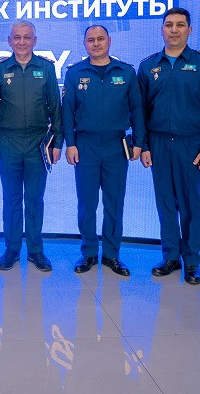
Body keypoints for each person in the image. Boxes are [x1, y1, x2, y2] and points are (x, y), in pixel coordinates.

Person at [137, 8, 200, 285]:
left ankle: (192, 261)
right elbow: (140, 112)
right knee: (165, 204)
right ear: (161, 29)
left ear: (190, 30)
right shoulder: (148, 66)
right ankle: (170, 256)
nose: (174, 30)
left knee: (191, 205)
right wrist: (144, 145)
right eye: (169, 25)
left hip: (192, 145)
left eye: (180, 25)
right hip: (159, 144)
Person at [62, 25, 144, 276]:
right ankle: (88, 253)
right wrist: (70, 144)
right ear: (84, 44)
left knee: (114, 203)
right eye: (91, 40)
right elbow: (67, 112)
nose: (96, 44)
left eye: (100, 39)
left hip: (116, 146)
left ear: (109, 41)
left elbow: (137, 110)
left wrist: (139, 143)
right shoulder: (75, 73)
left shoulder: (126, 72)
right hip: (85, 146)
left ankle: (111, 255)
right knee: (87, 204)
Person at [0, 20, 62, 272]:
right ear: (9, 41)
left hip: (37, 143)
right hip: (8, 141)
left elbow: (56, 107)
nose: (22, 42)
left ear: (34, 40)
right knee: (11, 199)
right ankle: (11, 249)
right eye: (17, 37)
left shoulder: (46, 68)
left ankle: (35, 251)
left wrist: (57, 142)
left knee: (34, 199)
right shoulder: (0, 69)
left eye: (27, 37)